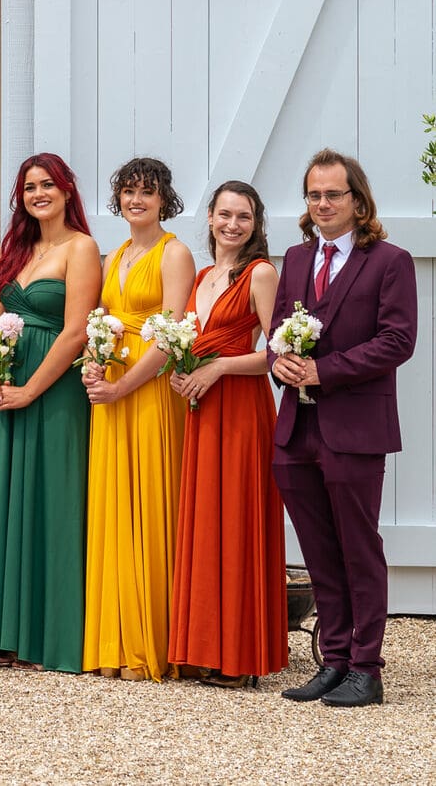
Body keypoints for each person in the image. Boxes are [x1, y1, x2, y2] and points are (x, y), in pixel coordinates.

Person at [271, 150, 416, 708]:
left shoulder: (390, 260)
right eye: (314, 195)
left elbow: (397, 341)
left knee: (359, 548)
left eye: (334, 194)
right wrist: (277, 359)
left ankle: (366, 668)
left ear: (358, 200)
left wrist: (322, 370)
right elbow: (281, 331)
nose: (323, 204)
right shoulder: (297, 257)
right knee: (318, 551)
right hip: (296, 428)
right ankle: (332, 662)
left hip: (355, 428)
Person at [0, 153, 99, 673]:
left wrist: (31, 390)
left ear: (67, 191)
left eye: (47, 185)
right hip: (12, 388)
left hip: (55, 389)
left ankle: (49, 637)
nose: (38, 193)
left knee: (53, 501)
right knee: (11, 500)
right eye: (29, 187)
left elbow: (75, 332)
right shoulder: (18, 249)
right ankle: (6, 631)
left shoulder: (81, 248)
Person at [167, 180, 287, 688]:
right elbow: (193, 344)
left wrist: (216, 369)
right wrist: (182, 371)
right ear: (210, 217)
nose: (232, 225)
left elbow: (278, 354)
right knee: (206, 520)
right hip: (203, 408)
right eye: (225, 215)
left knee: (237, 519)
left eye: (243, 217)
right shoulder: (200, 275)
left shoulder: (260, 273)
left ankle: (240, 655)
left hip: (241, 408)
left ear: (256, 224)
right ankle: (205, 647)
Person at [79, 158, 195, 681]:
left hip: (147, 391)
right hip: (112, 390)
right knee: (113, 503)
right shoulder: (117, 254)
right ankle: (115, 639)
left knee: (148, 500)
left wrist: (125, 383)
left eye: (147, 192)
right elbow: (100, 322)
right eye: (127, 191)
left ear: (164, 199)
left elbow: (170, 336)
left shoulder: (176, 254)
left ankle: (152, 641)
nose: (136, 200)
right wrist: (95, 367)